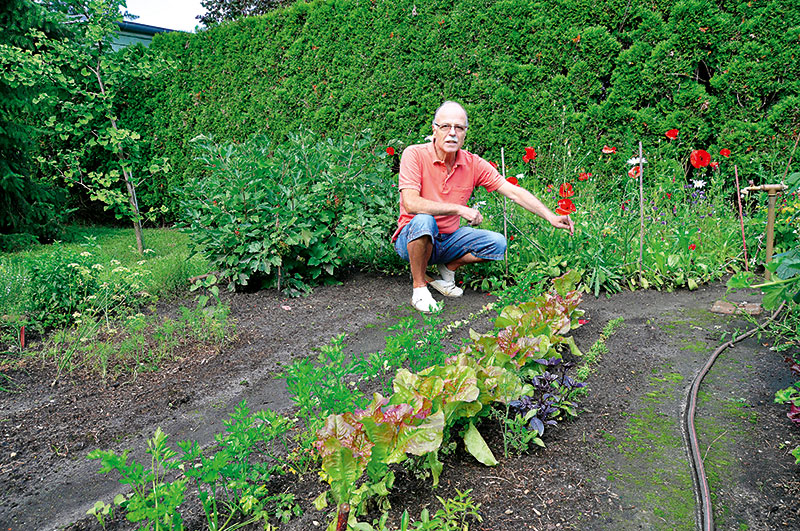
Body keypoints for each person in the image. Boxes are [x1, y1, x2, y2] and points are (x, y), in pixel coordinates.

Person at [391, 101, 575, 312]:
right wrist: (459, 209)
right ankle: (420, 289)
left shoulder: (473, 164)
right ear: (434, 129)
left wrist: (551, 217)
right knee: (425, 220)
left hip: (448, 240)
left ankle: (447, 268)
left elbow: (513, 191)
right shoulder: (414, 154)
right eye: (445, 127)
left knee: (497, 243)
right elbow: (411, 203)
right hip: (412, 238)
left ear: (465, 133)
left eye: (459, 128)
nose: (452, 133)